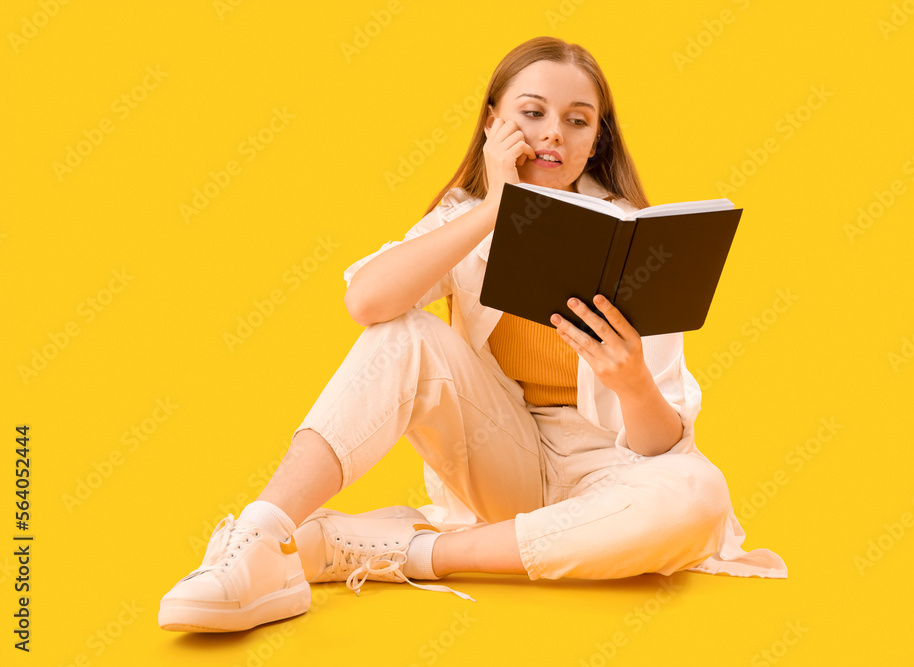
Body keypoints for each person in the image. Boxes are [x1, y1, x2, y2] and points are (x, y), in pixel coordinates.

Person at [159, 35, 787, 634]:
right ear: (493, 124)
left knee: (699, 492)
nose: (552, 134)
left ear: (596, 141)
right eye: (532, 113)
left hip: (610, 477)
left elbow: (660, 450)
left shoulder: (640, 243)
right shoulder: (465, 219)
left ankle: (410, 552)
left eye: (577, 120)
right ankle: (263, 538)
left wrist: (633, 383)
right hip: (500, 455)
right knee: (401, 330)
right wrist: (495, 209)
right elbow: (367, 301)